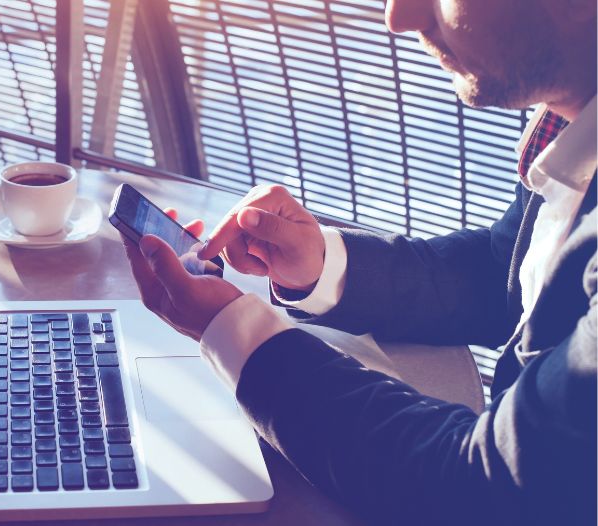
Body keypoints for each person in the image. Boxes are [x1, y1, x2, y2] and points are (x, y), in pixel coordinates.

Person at [123, 0, 597, 524]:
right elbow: (500, 272)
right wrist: (321, 267)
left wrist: (232, 330)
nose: (399, 17)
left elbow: (486, 487)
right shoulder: (572, 123)